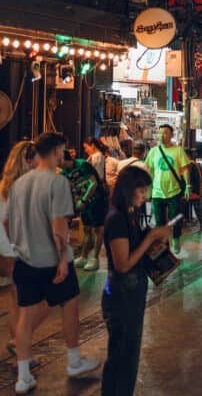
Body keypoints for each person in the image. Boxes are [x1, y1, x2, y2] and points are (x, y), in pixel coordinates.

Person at [8, 133, 100, 394]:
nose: (64, 155)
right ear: (56, 150)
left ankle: (23, 376)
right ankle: (74, 360)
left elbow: (12, 225)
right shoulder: (57, 182)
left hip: (25, 258)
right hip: (52, 258)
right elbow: (59, 225)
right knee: (70, 307)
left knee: (25, 316)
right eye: (63, 150)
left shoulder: (20, 184)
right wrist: (61, 258)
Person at [100, 166, 173, 395]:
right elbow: (123, 264)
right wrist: (150, 237)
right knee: (122, 357)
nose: (146, 196)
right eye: (142, 191)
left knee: (128, 356)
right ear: (128, 189)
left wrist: (156, 242)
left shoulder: (131, 215)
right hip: (122, 297)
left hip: (132, 293)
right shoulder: (117, 220)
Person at [0, 141, 45, 357]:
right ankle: (20, 345)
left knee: (17, 302)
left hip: (8, 252)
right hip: (19, 253)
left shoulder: (5, 186)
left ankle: (20, 350)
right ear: (28, 160)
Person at [144, 124, 191, 254]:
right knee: (159, 223)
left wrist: (188, 186)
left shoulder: (178, 150)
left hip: (173, 191)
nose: (161, 135)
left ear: (171, 135)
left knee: (175, 219)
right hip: (157, 193)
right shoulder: (154, 151)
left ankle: (176, 239)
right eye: (160, 133)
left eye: (165, 133)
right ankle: (164, 246)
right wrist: (147, 189)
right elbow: (149, 170)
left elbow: (185, 169)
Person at [77, 138, 110, 272]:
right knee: (88, 227)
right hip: (91, 195)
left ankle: (94, 257)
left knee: (97, 228)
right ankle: (84, 256)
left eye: (86, 146)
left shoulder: (97, 157)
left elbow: (95, 178)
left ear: (93, 145)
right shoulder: (93, 157)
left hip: (96, 196)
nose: (85, 149)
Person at [183, 149, 202, 229]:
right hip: (199, 192)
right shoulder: (196, 164)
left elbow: (186, 180)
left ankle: (184, 221)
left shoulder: (188, 165)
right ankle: (201, 222)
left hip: (193, 193)